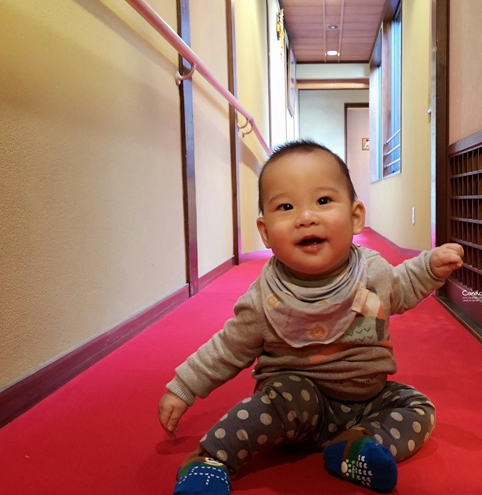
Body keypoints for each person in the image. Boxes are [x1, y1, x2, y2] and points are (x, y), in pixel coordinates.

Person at [158, 139, 464, 494]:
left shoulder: (373, 272)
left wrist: (430, 267)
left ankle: (353, 447)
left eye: (323, 201)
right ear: (266, 231)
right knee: (278, 399)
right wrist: (183, 387)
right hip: (297, 405)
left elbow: (404, 286)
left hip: (367, 400)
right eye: (286, 206)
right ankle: (210, 460)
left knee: (417, 406)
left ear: (355, 216)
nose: (306, 217)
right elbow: (227, 348)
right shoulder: (264, 299)